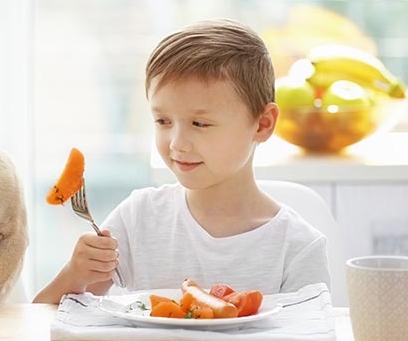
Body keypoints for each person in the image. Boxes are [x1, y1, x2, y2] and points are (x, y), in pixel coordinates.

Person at [34, 19, 330, 303]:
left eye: (200, 124)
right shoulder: (138, 219)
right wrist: (75, 274)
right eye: (162, 120)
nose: (176, 143)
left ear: (263, 124)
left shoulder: (297, 247)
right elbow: (39, 323)